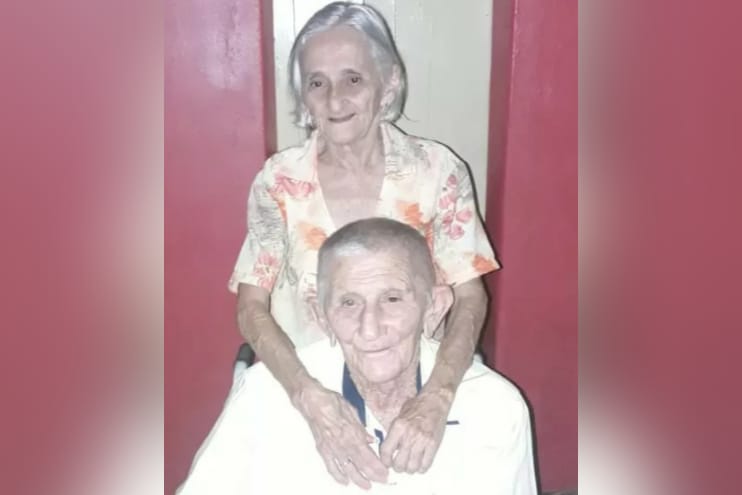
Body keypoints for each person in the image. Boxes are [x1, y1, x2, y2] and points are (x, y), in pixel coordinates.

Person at [229, 2, 500, 487]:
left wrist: (436, 398)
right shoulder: (279, 181)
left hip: (414, 389)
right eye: (317, 82)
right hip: (308, 389)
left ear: (388, 83)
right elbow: (251, 307)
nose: (335, 99)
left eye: (353, 78)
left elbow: (470, 296)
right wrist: (309, 398)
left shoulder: (437, 172)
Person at [181, 219, 536, 494]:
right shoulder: (263, 396)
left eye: (392, 299)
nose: (370, 328)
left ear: (435, 306)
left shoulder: (494, 407)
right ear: (321, 316)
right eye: (348, 303)